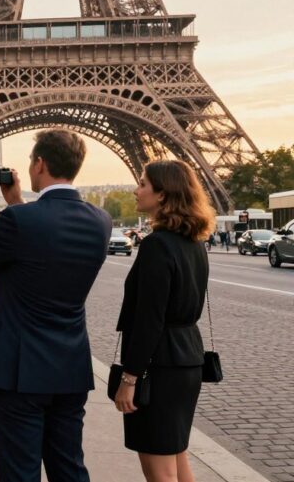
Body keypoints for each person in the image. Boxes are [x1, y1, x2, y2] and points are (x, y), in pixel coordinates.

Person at [0, 129, 112, 482]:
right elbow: (44, 237)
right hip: (69, 367)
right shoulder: (100, 221)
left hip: (18, 370)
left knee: (19, 472)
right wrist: (17, 202)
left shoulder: (21, 222)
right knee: (69, 468)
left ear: (39, 163)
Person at [114, 161, 213, 482]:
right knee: (177, 458)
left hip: (158, 369)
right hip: (188, 362)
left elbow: (148, 320)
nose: (136, 189)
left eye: (143, 183)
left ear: (162, 194)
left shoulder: (157, 244)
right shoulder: (195, 243)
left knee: (160, 474)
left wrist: (130, 379)